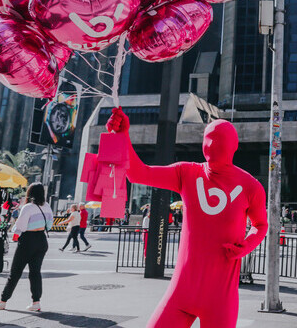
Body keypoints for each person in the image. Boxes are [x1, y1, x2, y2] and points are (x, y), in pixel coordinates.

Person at [107, 107, 267, 327]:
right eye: (208, 138)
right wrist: (122, 136)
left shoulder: (251, 187)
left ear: (235, 146)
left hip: (220, 299)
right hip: (182, 292)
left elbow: (260, 225)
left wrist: (246, 245)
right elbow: (138, 174)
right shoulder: (187, 173)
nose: (211, 145)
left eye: (218, 139)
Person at [0, 182, 53, 312]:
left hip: (28, 240)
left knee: (15, 272)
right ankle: (36, 302)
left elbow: (21, 226)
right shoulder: (47, 206)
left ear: (30, 193)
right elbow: (50, 225)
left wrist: (15, 233)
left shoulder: (28, 207)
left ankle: (2, 300)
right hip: (42, 239)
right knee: (35, 272)